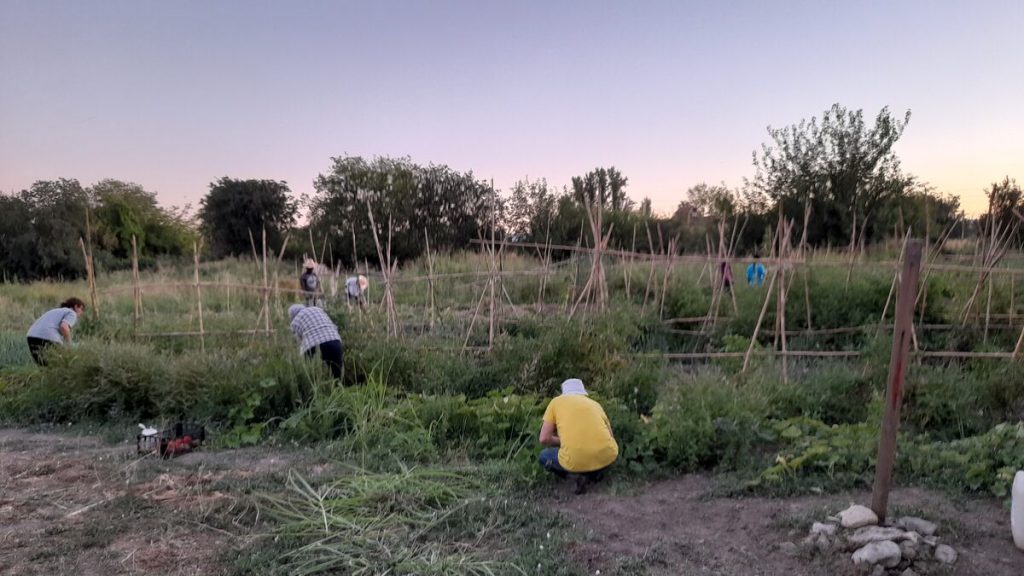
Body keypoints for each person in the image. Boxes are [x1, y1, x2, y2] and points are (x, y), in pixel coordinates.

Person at [539, 378, 618, 494]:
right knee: (600, 454)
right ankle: (593, 475)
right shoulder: (595, 404)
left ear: (563, 393)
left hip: (574, 459)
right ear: (583, 392)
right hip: (607, 455)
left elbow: (544, 438)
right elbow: (610, 435)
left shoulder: (556, 402)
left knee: (544, 456)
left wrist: (563, 441)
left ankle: (573, 476)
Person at [288, 304, 343, 379]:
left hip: (314, 345)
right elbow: (334, 326)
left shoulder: (296, 320)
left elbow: (296, 342)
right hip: (334, 340)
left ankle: (320, 389)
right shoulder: (318, 309)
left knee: (312, 375)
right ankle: (339, 388)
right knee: (337, 372)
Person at [26, 297, 85, 365]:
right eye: (82, 309)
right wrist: (69, 343)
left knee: (44, 366)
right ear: (76, 306)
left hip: (31, 336)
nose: (81, 313)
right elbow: (64, 327)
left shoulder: (56, 311)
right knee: (60, 364)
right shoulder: (72, 313)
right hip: (47, 337)